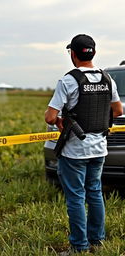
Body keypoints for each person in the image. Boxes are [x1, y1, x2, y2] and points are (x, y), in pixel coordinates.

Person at [45, 34, 123, 254]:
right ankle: (97, 241)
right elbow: (118, 111)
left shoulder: (69, 80)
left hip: (75, 150)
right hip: (99, 147)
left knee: (76, 197)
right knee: (95, 192)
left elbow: (50, 117)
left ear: (72, 54)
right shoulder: (108, 79)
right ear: (94, 53)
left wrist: (61, 119)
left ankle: (79, 246)